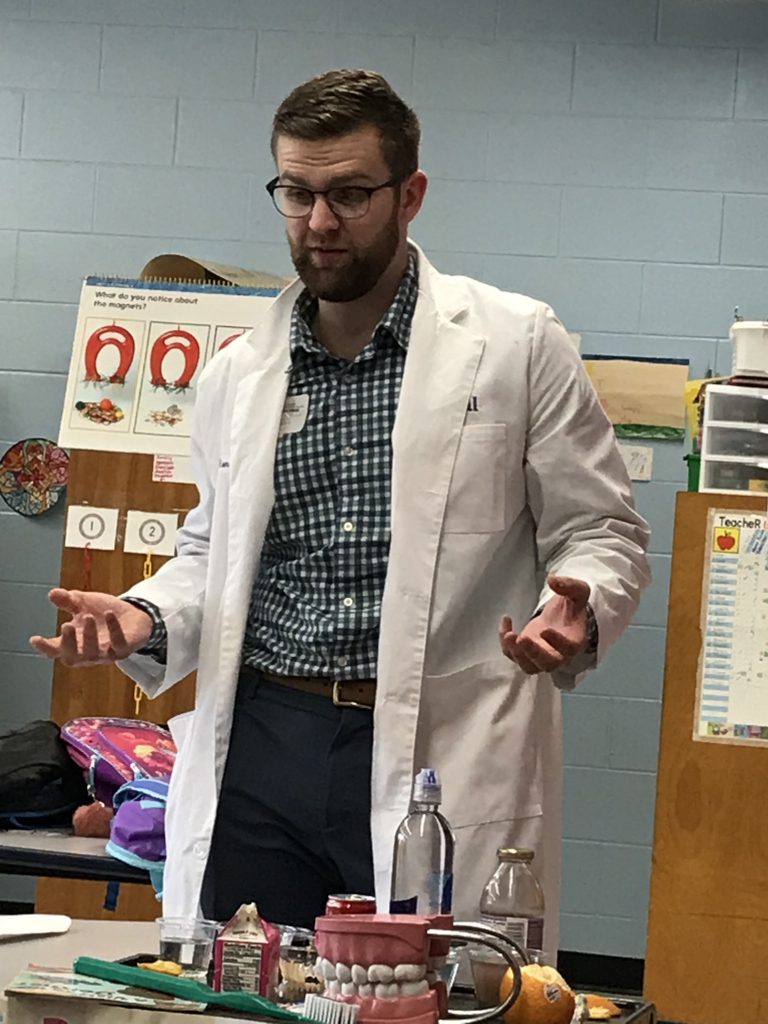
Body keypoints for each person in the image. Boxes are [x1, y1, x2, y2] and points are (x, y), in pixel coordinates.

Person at [30, 69, 650, 955]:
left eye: (351, 194)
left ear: (411, 195)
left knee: (421, 993)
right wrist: (143, 613)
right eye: (297, 192)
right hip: (265, 739)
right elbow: (214, 551)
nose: (319, 222)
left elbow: (604, 528)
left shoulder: (516, 345)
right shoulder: (237, 373)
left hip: (435, 742)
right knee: (247, 984)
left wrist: (580, 602)